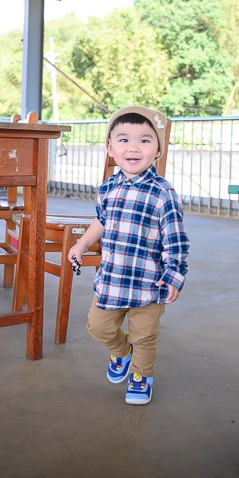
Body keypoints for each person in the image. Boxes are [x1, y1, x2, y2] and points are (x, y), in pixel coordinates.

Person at [68, 105, 189, 405]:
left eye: (145, 141)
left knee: (144, 337)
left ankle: (140, 376)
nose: (134, 147)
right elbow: (101, 220)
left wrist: (173, 276)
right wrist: (81, 245)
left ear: (158, 150)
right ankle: (122, 353)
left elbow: (177, 241)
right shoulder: (108, 187)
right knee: (98, 327)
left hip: (150, 284)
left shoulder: (163, 193)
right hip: (112, 278)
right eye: (123, 140)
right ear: (110, 149)